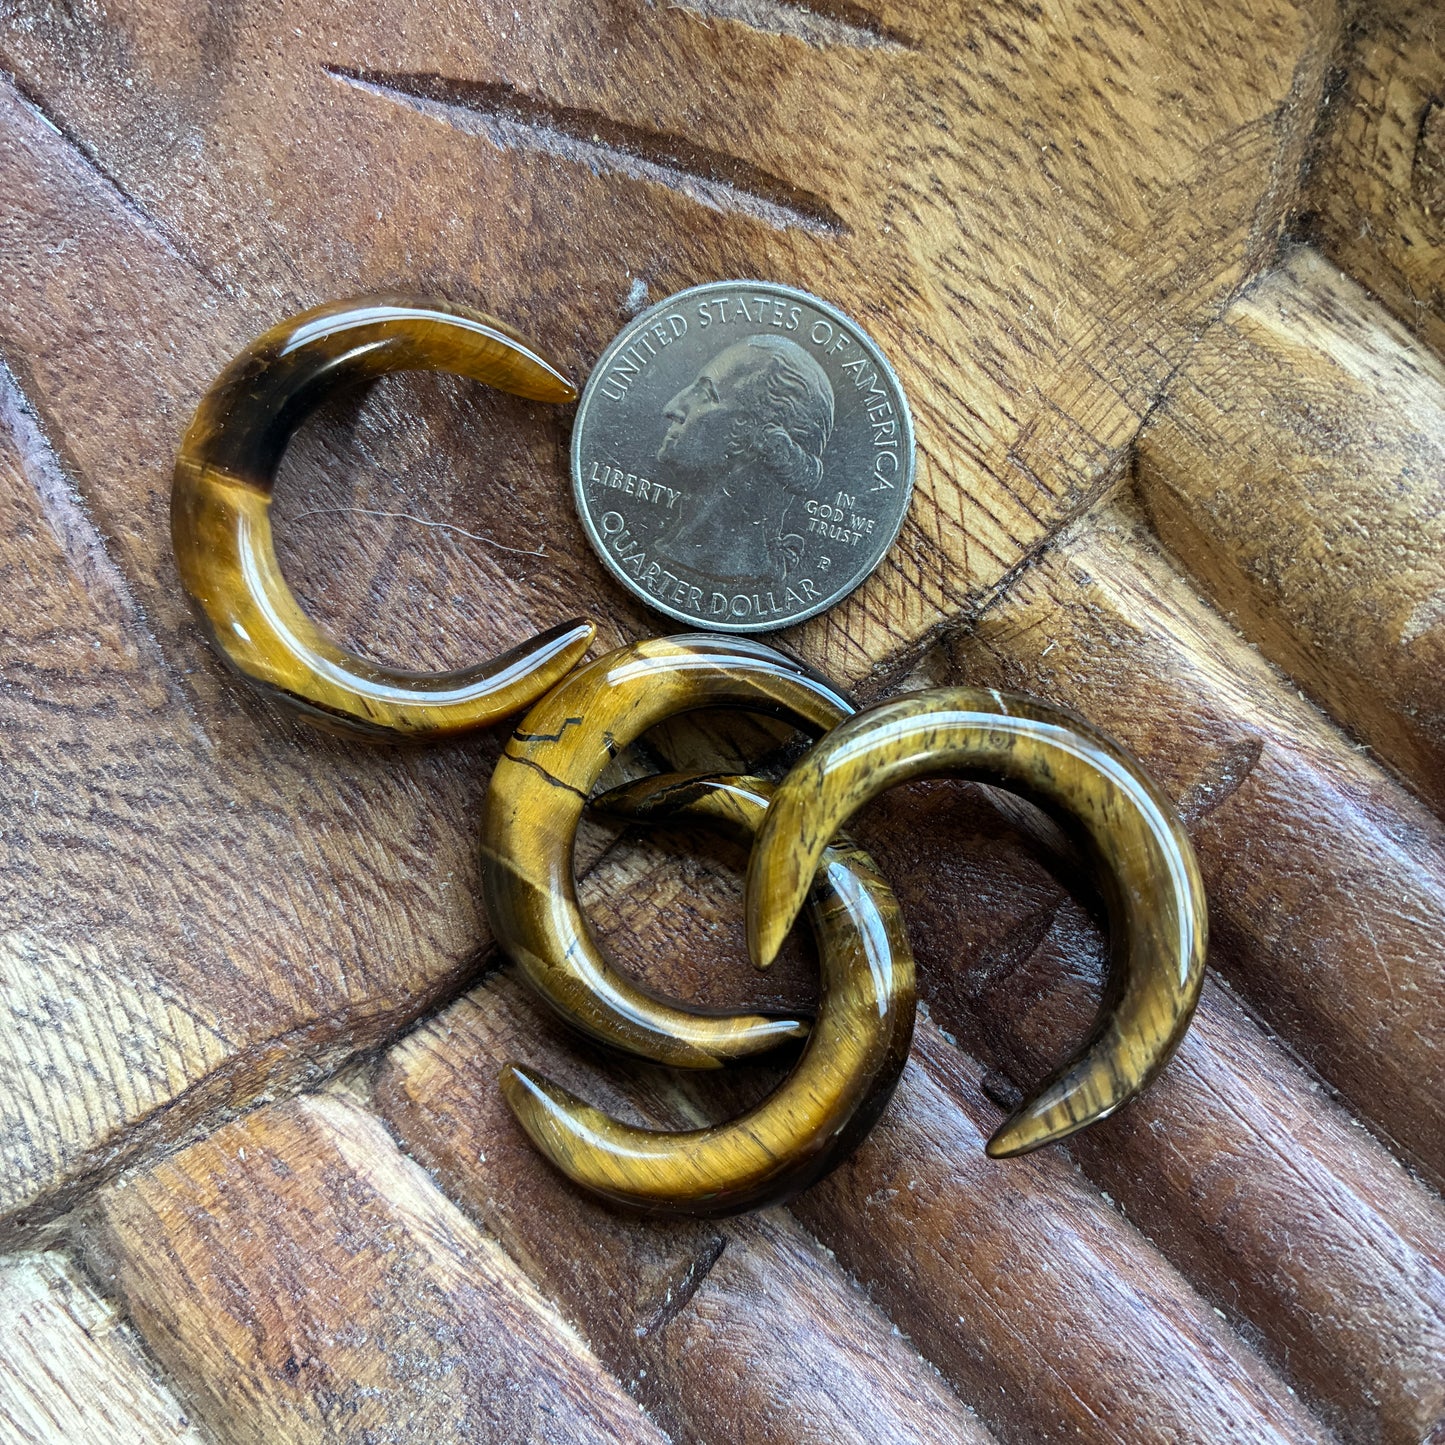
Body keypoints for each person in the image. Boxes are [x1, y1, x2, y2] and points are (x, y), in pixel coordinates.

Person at [658, 335, 834, 580]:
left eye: (706, 394)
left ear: (745, 431)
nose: (671, 407)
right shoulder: (684, 551)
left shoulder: (715, 564)